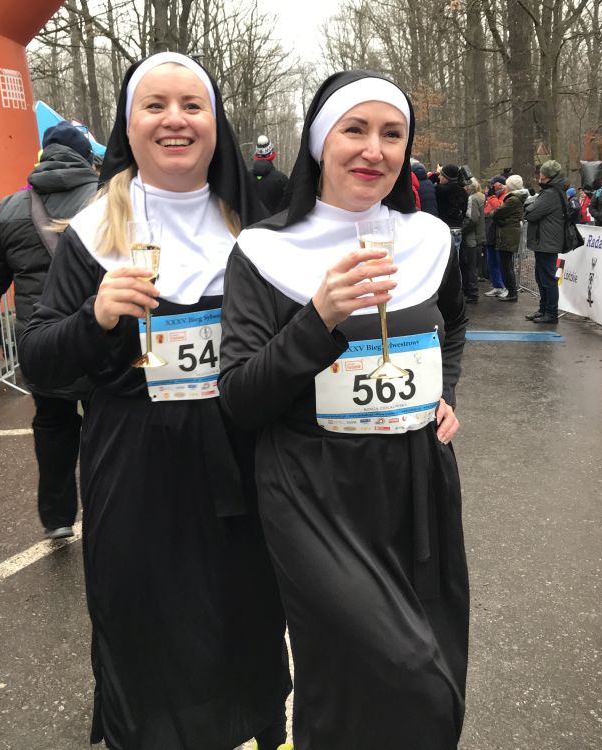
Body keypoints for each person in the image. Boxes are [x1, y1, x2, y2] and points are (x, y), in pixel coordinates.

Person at [18, 52, 291, 750]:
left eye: (192, 105)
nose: (175, 120)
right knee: (143, 625)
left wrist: (428, 404)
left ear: (216, 124)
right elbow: (39, 360)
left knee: (248, 616)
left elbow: (305, 347)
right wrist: (94, 317)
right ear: (128, 124)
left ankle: (257, 730)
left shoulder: (260, 229)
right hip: (134, 469)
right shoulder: (92, 233)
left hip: (242, 460)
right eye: (155, 105)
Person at [219, 70, 470, 749]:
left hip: (417, 482)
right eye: (354, 130)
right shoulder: (264, 251)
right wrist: (320, 316)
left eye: (392, 134)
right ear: (319, 142)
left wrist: (444, 392)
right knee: (397, 670)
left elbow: (453, 323)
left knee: (437, 665)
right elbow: (240, 397)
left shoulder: (429, 238)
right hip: (313, 489)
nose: (374, 150)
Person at [0, 121, 98, 540]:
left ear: (43, 155)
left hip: (43, 342)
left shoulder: (9, 208)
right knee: (106, 428)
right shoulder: (109, 200)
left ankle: (57, 518)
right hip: (101, 335)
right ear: (86, 157)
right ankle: (105, 514)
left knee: (53, 424)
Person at [523, 159, 569, 324]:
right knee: (541, 277)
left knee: (548, 279)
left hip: (547, 242)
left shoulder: (551, 193)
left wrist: (529, 205)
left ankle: (551, 313)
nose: (539, 177)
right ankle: (543, 309)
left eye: (542, 174)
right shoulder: (552, 191)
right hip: (545, 241)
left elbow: (530, 213)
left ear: (548, 176)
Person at [436, 163, 474, 299]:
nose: (439, 177)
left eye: (441, 175)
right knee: (455, 263)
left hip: (446, 229)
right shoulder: (462, 191)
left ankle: (449, 293)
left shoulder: (440, 190)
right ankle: (458, 292)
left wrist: (435, 173)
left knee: (444, 263)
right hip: (457, 229)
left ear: (446, 177)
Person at [492, 174, 527, 303]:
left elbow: (497, 213)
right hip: (509, 233)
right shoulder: (514, 198)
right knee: (506, 264)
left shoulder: (512, 200)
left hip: (508, 234)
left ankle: (512, 292)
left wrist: (498, 217)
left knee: (506, 265)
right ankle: (511, 291)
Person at [249, 134, 289, 215]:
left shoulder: (245, 177)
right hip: (275, 222)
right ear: (272, 154)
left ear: (256, 154)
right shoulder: (281, 180)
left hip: (249, 223)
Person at [483, 176, 508, 297]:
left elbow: (498, 209)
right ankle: (497, 286)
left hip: (499, 234)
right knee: (491, 262)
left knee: (500, 262)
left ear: (501, 185)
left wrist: (492, 197)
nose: (491, 186)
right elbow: (487, 211)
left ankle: (504, 287)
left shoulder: (506, 196)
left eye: (493, 184)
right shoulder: (493, 197)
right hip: (490, 233)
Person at [462, 177, 486, 303]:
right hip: (479, 237)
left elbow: (472, 218)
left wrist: (462, 230)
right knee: (474, 267)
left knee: (471, 267)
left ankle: (472, 294)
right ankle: (472, 292)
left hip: (472, 238)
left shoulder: (473, 198)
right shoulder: (481, 196)